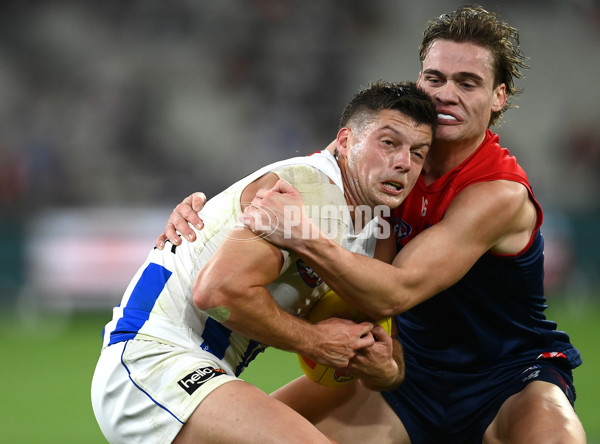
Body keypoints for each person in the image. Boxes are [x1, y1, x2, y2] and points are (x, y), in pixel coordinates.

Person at [158, 5, 586, 443]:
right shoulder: (387, 154)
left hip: (508, 377)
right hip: (410, 375)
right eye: (434, 78)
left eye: (468, 82)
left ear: (499, 96)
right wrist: (207, 217)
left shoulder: (498, 193)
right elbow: (297, 181)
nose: (445, 95)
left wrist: (304, 236)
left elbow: (395, 292)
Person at [91, 81, 437, 444]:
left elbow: (378, 340)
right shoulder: (305, 191)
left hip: (205, 372)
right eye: (388, 143)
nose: (403, 163)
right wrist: (315, 341)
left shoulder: (376, 232)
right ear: (347, 142)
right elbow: (216, 294)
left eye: (418, 153)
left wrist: (387, 370)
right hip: (153, 358)